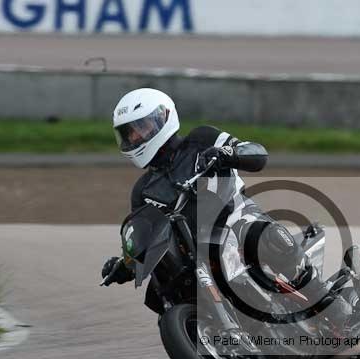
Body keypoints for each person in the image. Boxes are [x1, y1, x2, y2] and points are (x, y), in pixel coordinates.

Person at [100, 88, 308, 296]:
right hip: (196, 252)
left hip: (235, 218)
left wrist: (227, 154)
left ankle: (324, 298)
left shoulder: (202, 138)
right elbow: (144, 239)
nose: (135, 136)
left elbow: (257, 154)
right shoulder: (142, 191)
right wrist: (125, 264)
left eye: (141, 127)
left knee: (266, 236)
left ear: (163, 117)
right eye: (129, 133)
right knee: (161, 285)